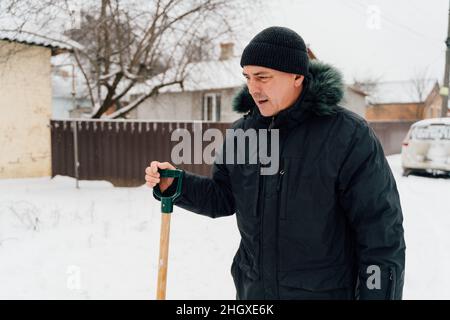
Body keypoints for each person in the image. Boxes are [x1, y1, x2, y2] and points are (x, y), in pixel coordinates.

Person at [145, 26, 405, 300]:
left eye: (263, 77)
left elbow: (381, 234)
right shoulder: (242, 134)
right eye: (247, 77)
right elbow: (224, 197)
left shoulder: (348, 136)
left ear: (296, 76)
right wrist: (177, 185)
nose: (253, 87)